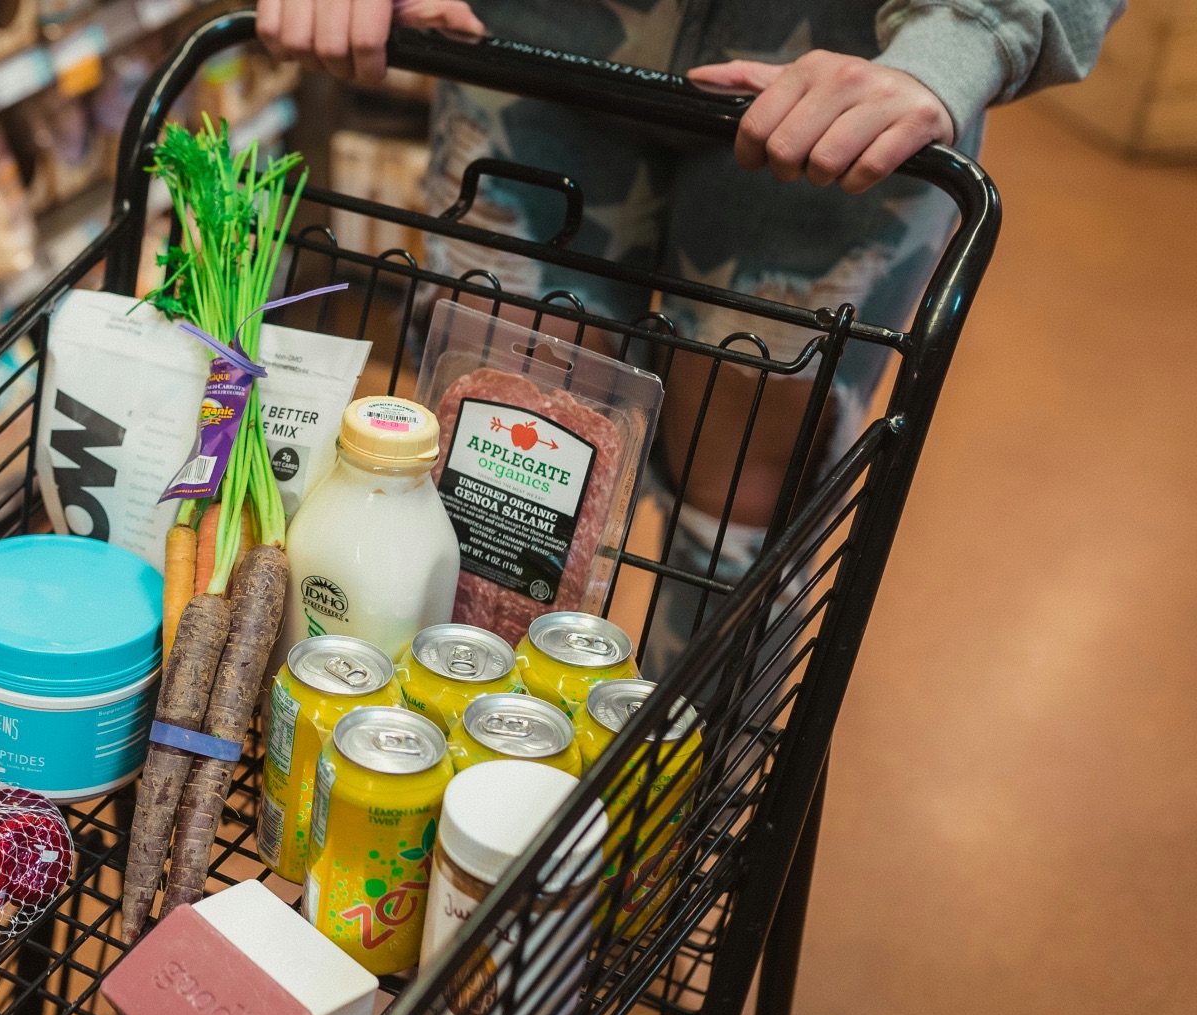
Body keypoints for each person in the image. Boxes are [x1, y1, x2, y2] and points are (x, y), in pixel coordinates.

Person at [260, 0, 1123, 670]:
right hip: (523, 43)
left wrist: (962, 41)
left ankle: (674, 825)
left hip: (849, 81)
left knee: (745, 498)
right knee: (495, 459)